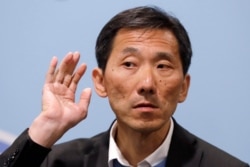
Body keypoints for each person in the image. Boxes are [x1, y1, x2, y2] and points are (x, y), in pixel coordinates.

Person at [0, 6, 248, 167]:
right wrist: (45, 129)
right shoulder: (57, 162)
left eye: (162, 66)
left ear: (184, 87)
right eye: (129, 64)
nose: (147, 84)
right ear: (100, 81)